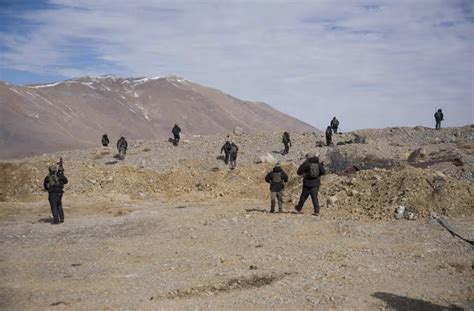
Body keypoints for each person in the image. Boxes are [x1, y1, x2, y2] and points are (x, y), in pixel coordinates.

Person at [295, 152, 326, 216]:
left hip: (307, 183)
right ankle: (317, 211)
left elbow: (299, 172)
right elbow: (323, 172)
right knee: (314, 197)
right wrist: (318, 175)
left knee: (303, 196)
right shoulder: (318, 163)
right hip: (316, 183)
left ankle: (299, 209)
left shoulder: (306, 164)